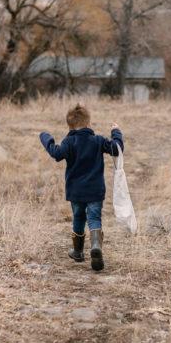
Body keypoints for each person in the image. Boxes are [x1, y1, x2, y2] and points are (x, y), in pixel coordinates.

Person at [39, 104, 123, 271]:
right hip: (95, 190)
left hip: (76, 192)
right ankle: (96, 246)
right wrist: (116, 132)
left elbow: (56, 154)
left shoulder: (69, 142)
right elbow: (116, 149)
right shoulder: (98, 140)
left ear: (70, 125)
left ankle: (78, 252)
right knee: (94, 218)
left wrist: (46, 138)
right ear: (88, 123)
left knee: (78, 218)